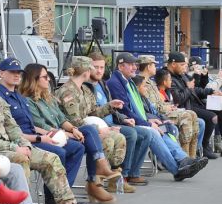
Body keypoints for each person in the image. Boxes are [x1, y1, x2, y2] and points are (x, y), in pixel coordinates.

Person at [0, 65, 95, 204]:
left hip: (14, 146)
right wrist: (16, 148)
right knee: (20, 158)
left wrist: (26, 145)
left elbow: (12, 127)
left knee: (51, 158)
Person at [19, 62, 122, 204]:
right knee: (79, 144)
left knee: (89, 132)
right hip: (49, 136)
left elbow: (62, 119)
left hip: (61, 133)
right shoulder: (28, 101)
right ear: (34, 79)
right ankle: (88, 183)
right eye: (44, 77)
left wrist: (73, 129)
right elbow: (41, 125)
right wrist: (67, 134)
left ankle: (95, 172)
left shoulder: (48, 98)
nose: (48, 80)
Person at [0, 58, 87, 204]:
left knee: (77, 147)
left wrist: (47, 134)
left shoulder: (18, 97)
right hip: (19, 143)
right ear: (1, 73)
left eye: (19, 72)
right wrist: (40, 138)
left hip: (31, 138)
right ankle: (53, 203)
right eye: (12, 72)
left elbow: (31, 125)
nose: (16, 75)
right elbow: (8, 132)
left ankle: (63, 199)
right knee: (59, 153)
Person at [106, 52, 202, 180]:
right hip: (124, 122)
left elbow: (137, 108)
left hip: (136, 119)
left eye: (135, 64)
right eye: (130, 64)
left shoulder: (126, 80)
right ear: (120, 66)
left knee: (162, 129)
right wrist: (148, 123)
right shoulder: (115, 83)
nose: (135, 67)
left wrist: (150, 120)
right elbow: (125, 111)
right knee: (153, 132)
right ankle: (177, 170)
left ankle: (184, 159)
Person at [55, 56, 128, 192]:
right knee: (107, 140)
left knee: (119, 138)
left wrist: (109, 106)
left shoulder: (85, 90)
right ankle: (95, 183)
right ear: (86, 72)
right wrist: (99, 130)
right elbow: (74, 121)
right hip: (74, 132)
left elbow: (93, 112)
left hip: (88, 129)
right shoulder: (68, 91)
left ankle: (112, 177)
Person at [86, 51, 151, 189]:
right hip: (99, 126)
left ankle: (133, 173)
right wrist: (106, 127)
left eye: (102, 67)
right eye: (95, 67)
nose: (99, 71)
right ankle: (122, 176)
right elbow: (89, 115)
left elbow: (113, 109)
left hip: (114, 122)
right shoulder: (86, 87)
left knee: (146, 134)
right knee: (131, 134)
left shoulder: (103, 84)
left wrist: (125, 119)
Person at [166, 52, 222, 158]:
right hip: (185, 107)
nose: (184, 67)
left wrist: (211, 92)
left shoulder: (181, 75)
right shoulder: (168, 77)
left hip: (194, 103)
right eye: (182, 65)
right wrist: (188, 88)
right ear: (173, 64)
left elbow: (197, 89)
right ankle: (204, 146)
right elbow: (178, 99)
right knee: (212, 117)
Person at [137, 56, 201, 158]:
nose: (155, 67)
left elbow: (159, 102)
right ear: (148, 67)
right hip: (157, 115)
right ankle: (185, 157)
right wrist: (167, 108)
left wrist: (170, 106)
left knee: (192, 114)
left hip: (164, 110)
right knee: (186, 117)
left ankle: (192, 156)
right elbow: (152, 106)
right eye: (153, 65)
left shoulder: (151, 82)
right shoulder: (141, 83)